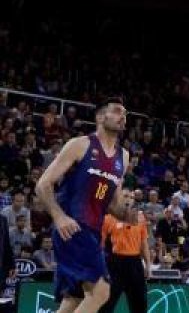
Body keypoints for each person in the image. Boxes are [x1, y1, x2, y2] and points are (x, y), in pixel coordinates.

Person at [34, 97, 132, 313]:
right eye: (117, 111)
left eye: (125, 113)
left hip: (94, 233)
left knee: (74, 300)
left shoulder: (123, 157)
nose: (122, 116)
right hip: (73, 228)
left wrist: (128, 214)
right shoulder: (80, 144)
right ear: (100, 117)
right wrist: (59, 217)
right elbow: (43, 185)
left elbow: (113, 205)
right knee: (101, 292)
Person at [98, 191, 151, 313]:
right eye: (125, 196)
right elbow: (100, 245)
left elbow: (143, 243)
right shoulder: (108, 218)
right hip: (114, 264)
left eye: (131, 197)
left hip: (135, 263)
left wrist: (148, 264)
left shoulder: (140, 218)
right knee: (106, 304)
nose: (129, 199)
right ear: (118, 198)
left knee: (139, 304)